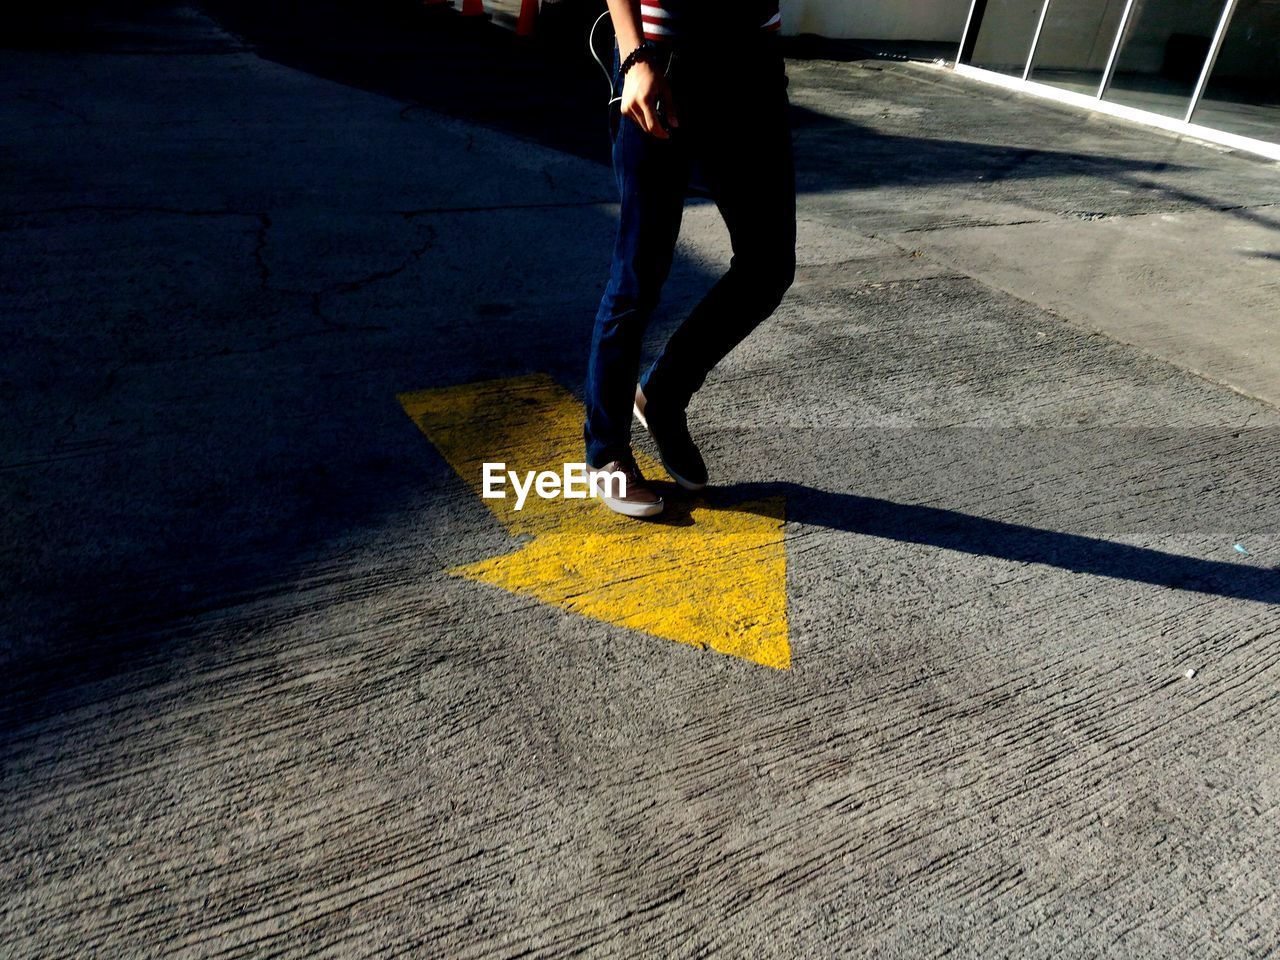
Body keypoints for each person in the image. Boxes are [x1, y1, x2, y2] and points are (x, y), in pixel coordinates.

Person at [584, 0, 797, 518]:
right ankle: (606, 451)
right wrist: (634, 54)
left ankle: (662, 393)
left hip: (752, 63)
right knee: (641, 268)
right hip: (660, 55)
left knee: (768, 265)